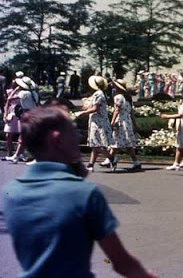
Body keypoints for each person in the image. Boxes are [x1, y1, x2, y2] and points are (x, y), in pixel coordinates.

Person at [1, 105, 156, 278]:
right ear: (57, 139)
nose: (79, 137)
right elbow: (122, 263)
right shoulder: (84, 194)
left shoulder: (10, 193)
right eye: (73, 132)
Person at [76, 75, 118, 172]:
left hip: (98, 122)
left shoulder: (98, 94)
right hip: (97, 121)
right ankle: (91, 165)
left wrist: (83, 113)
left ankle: (111, 158)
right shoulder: (98, 94)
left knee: (96, 144)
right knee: (95, 144)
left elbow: (95, 108)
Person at [102, 80, 142, 171]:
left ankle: (110, 159)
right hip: (127, 121)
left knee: (116, 140)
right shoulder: (128, 97)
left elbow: (117, 110)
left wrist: (112, 122)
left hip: (120, 120)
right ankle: (111, 160)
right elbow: (131, 112)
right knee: (125, 142)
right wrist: (135, 124)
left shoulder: (118, 97)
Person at [6, 76, 40, 164]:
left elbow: (9, 98)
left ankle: (36, 157)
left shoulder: (23, 93)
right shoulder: (34, 93)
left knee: (25, 136)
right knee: (24, 136)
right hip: (33, 114)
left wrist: (15, 90)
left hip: (26, 114)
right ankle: (16, 156)